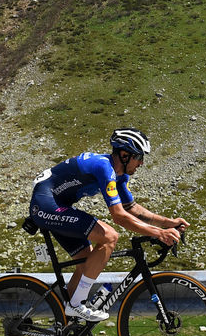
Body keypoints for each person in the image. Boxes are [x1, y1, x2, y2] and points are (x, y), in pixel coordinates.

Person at [28, 128, 188, 321]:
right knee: (110, 236)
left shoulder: (120, 176)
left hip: (58, 205)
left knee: (86, 261)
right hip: (46, 204)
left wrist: (168, 223)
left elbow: (132, 208)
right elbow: (119, 216)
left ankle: (66, 324)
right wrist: (158, 234)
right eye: (139, 157)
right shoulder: (104, 167)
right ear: (124, 155)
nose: (142, 163)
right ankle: (76, 305)